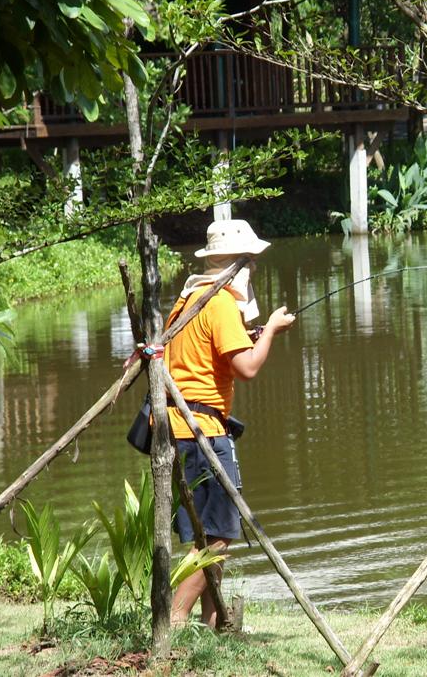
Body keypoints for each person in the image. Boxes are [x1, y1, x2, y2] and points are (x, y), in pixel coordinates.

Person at [166, 218, 295, 627]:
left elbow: (204, 358)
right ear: (236, 265)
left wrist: (251, 334)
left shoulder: (189, 300)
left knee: (204, 536)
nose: (254, 270)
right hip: (204, 434)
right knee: (219, 536)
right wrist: (272, 330)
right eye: (251, 263)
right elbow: (248, 369)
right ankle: (173, 618)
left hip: (178, 430)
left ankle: (212, 625)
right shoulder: (220, 303)